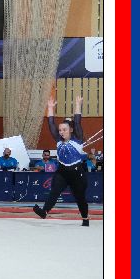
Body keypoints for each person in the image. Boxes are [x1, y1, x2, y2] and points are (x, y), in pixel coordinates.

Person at [33, 96, 91, 226]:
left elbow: (77, 122)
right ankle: (44, 212)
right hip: (62, 172)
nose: (61, 132)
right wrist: (50, 108)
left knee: (80, 197)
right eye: (60, 130)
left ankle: (85, 218)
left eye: (64, 130)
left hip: (77, 173)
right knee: (54, 192)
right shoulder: (58, 140)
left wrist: (78, 104)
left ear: (71, 130)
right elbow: (51, 124)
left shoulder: (78, 139)